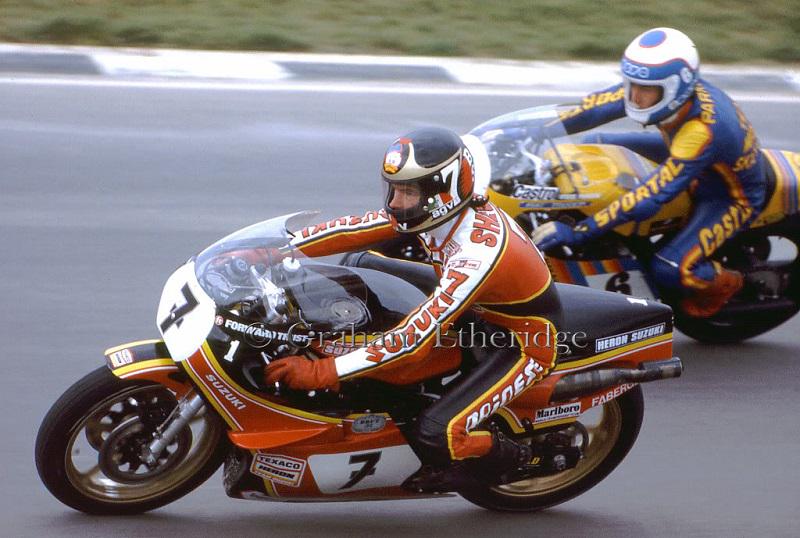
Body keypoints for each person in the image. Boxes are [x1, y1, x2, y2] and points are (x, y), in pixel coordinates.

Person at [264, 127, 563, 491]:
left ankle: (520, 457)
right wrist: (278, 249)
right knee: (359, 260)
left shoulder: (477, 253)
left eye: (408, 192)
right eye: (394, 189)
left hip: (522, 339)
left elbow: (411, 340)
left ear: (445, 191)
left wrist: (326, 371)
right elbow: (352, 229)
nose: (395, 203)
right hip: (477, 308)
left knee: (439, 433)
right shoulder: (434, 211)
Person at [531, 27, 767, 317]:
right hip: (687, 155)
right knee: (595, 145)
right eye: (631, 85)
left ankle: (731, 283)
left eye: (646, 90)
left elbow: (649, 196)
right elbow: (592, 108)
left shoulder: (703, 130)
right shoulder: (665, 90)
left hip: (728, 194)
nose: (635, 97)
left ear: (675, 87)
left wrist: (580, 232)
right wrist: (534, 131)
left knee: (670, 269)